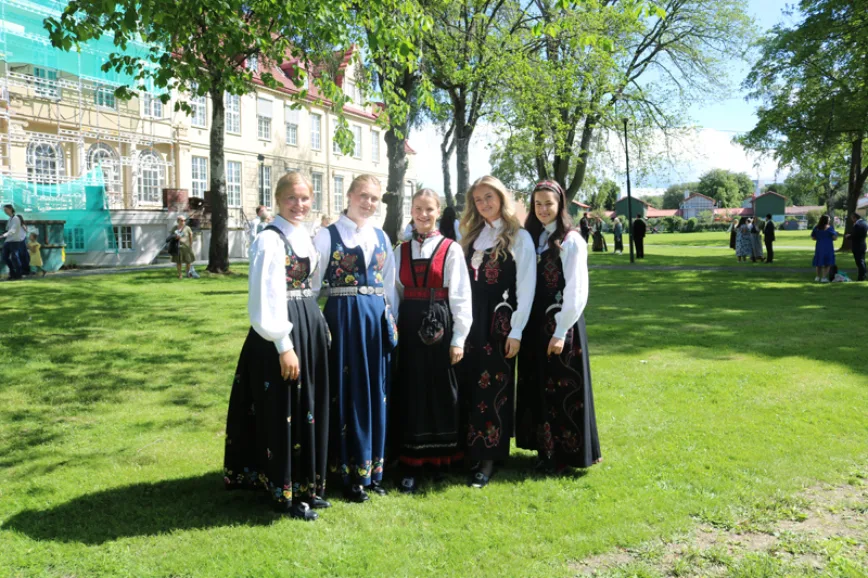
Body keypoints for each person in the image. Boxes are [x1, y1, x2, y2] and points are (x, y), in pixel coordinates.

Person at [223, 172, 330, 521]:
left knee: (306, 406)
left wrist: (318, 324)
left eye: (305, 198)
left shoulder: (304, 235)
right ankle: (286, 490)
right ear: (278, 200)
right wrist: (284, 344)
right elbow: (264, 297)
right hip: (278, 334)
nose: (299, 205)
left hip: (306, 325)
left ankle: (305, 486)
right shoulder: (270, 240)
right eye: (291, 199)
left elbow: (309, 287)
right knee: (285, 408)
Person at [312, 174, 397, 503]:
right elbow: (313, 286)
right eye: (363, 196)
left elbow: (388, 285)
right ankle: (348, 473)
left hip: (374, 321)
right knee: (347, 393)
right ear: (349, 196)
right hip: (344, 321)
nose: (368, 203)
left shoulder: (381, 237)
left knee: (375, 391)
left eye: (374, 198)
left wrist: (389, 320)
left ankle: (373, 470)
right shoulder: (327, 235)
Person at [517, 180, 601, 474]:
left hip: (561, 326)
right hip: (534, 325)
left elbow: (577, 290)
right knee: (540, 385)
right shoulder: (531, 238)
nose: (542, 209)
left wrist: (561, 331)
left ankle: (570, 453)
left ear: (560, 205)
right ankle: (545, 449)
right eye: (537, 204)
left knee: (563, 387)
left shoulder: (571, 240)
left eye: (548, 204)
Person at [459, 175, 536, 489]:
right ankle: (471, 449)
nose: (484, 204)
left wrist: (516, 330)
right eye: (478, 200)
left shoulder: (519, 237)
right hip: (469, 322)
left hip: (500, 324)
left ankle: (490, 455)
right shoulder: (471, 235)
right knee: (470, 385)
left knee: (494, 389)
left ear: (502, 198)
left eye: (489, 197)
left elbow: (526, 287)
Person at [394, 189, 472, 493]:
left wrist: (459, 338)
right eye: (417, 209)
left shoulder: (451, 248)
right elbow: (392, 293)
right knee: (412, 390)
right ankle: (411, 463)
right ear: (411, 211)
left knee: (442, 390)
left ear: (437, 211)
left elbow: (461, 295)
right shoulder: (400, 250)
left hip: (440, 322)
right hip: (409, 324)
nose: (423, 215)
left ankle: (441, 462)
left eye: (428, 209)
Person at [1, 204, 27, 279]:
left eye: (6, 210)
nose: (5, 211)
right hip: (8, 240)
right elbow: (8, 229)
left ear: (10, 209)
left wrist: (3, 236)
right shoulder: (10, 219)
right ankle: (13, 272)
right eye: (4, 210)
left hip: (15, 241)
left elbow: (12, 230)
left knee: (15, 257)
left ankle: (18, 274)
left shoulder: (16, 218)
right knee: (4, 257)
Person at [811, 214, 838, 283]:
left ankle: (817, 277)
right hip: (828, 246)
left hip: (819, 246)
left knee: (819, 262)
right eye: (829, 219)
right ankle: (824, 277)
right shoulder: (829, 228)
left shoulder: (816, 227)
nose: (829, 220)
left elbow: (813, 237)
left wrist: (819, 238)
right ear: (826, 220)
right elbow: (835, 238)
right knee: (827, 263)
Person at [845, 212, 867, 281]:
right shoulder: (865, 223)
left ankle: (861, 276)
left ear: (854, 217)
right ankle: (864, 274)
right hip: (863, 244)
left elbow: (855, 235)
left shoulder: (857, 225)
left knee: (859, 261)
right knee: (862, 260)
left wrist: (848, 236)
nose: (851, 219)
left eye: (852, 218)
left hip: (857, 245)